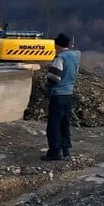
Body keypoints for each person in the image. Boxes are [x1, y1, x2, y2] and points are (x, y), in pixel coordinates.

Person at [42, 33, 80, 161]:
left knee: (54, 124)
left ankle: (54, 152)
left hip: (58, 94)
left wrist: (47, 86)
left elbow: (54, 77)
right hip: (69, 94)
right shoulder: (75, 57)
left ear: (57, 45)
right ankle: (65, 149)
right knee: (65, 122)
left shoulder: (60, 58)